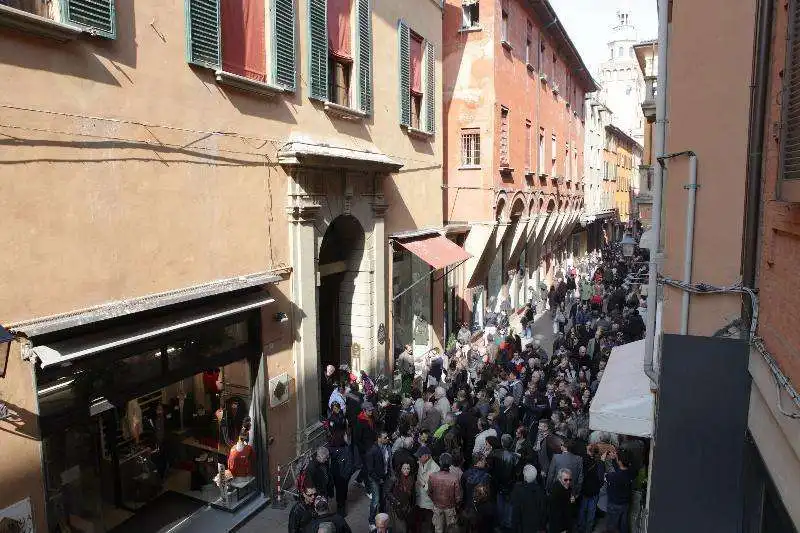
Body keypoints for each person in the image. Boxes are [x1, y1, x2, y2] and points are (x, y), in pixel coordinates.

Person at [427, 452, 462, 533]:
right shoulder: (454, 478)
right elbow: (458, 497)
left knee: (438, 529)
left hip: (437, 507)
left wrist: (435, 501)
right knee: (450, 529)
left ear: (440, 462)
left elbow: (429, 492)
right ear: (450, 464)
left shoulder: (432, 476)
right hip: (450, 508)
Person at [365, 430, 392, 528]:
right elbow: (370, 470)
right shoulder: (372, 451)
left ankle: (382, 518)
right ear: (379, 439)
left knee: (383, 498)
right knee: (376, 500)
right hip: (375, 478)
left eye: (387, 437)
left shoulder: (388, 447)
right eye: (385, 437)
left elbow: (388, 462)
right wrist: (378, 479)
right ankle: (372, 521)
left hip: (384, 477)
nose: (387, 439)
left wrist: (388, 474)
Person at [605, 448, 635, 533]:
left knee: (612, 527)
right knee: (623, 525)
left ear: (620, 462)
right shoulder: (631, 472)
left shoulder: (614, 477)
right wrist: (615, 460)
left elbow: (601, 477)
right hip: (625, 504)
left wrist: (601, 461)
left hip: (614, 505)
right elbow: (621, 469)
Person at [510, 464, 547, 533]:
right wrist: (542, 527)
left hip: (523, 527)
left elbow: (515, 513)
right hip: (536, 527)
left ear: (525, 476)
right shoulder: (540, 491)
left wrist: (514, 528)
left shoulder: (518, 490)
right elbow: (543, 511)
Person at [414, 446, 439, 533]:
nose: (418, 458)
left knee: (429, 526)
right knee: (419, 524)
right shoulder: (420, 463)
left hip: (428, 503)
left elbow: (434, 488)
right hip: (419, 500)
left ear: (426, 456)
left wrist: (423, 484)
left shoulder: (435, 468)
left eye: (419, 456)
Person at [385, 462, 415, 533]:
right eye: (404, 468)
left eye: (408, 469)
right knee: (400, 528)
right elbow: (387, 492)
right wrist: (396, 501)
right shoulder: (394, 479)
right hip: (396, 507)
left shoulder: (411, 479)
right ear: (401, 469)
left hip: (405, 507)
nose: (406, 470)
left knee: (404, 526)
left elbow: (411, 494)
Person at [547, 469, 574, 533]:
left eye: (570, 479)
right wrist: (563, 529)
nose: (568, 482)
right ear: (559, 479)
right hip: (560, 527)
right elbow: (556, 514)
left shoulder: (565, 487)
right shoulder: (557, 492)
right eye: (565, 480)